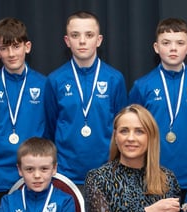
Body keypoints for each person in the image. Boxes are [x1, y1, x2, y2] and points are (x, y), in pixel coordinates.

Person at [128, 17, 187, 192]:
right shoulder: (142, 86)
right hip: (152, 175)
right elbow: (133, 130)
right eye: (166, 43)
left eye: (180, 43)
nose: (173, 48)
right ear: (156, 47)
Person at [43, 10, 128, 185]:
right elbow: (50, 127)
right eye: (75, 35)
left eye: (89, 35)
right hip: (66, 174)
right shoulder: (55, 80)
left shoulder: (114, 79)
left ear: (99, 40)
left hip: (107, 173)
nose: (82, 41)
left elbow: (122, 127)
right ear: (67, 41)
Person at [0, 18, 47, 203]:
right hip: (1, 175)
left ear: (27, 47)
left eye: (16, 46)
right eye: (4, 48)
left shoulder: (44, 84)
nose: (11, 53)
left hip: (36, 174)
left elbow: (50, 128)